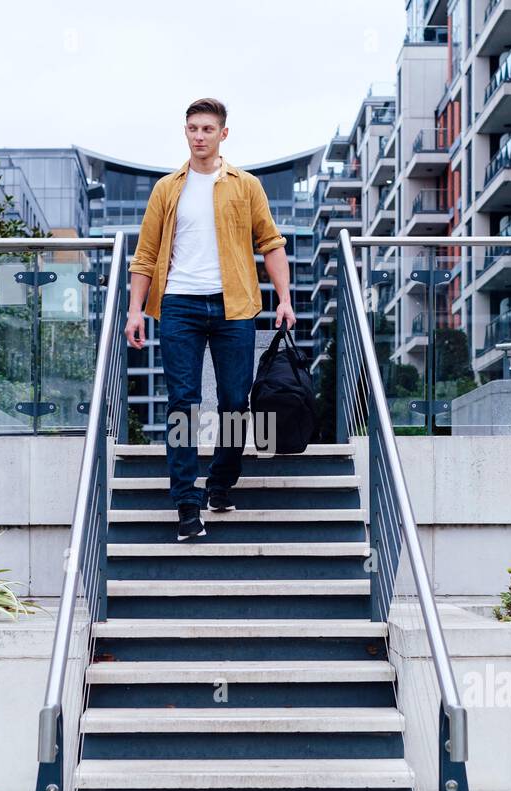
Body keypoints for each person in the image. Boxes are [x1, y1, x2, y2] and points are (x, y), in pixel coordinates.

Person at [125, 97, 296, 541]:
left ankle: (221, 482)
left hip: (234, 305)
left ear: (223, 134)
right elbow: (144, 255)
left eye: (207, 129)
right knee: (183, 403)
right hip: (179, 304)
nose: (198, 136)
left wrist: (284, 298)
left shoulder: (246, 185)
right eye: (192, 128)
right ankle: (186, 502)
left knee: (234, 403)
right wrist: (134, 311)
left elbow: (271, 243)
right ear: (186, 132)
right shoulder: (167, 189)